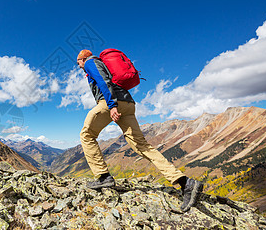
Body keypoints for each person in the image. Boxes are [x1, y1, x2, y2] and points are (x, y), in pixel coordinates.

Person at [77, 49, 203, 212]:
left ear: (83, 58)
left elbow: (103, 80)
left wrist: (112, 105)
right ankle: (185, 183)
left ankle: (103, 177)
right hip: (128, 104)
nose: (79, 66)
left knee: (86, 135)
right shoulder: (99, 63)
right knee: (142, 146)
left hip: (111, 103)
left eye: (78, 62)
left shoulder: (90, 63)